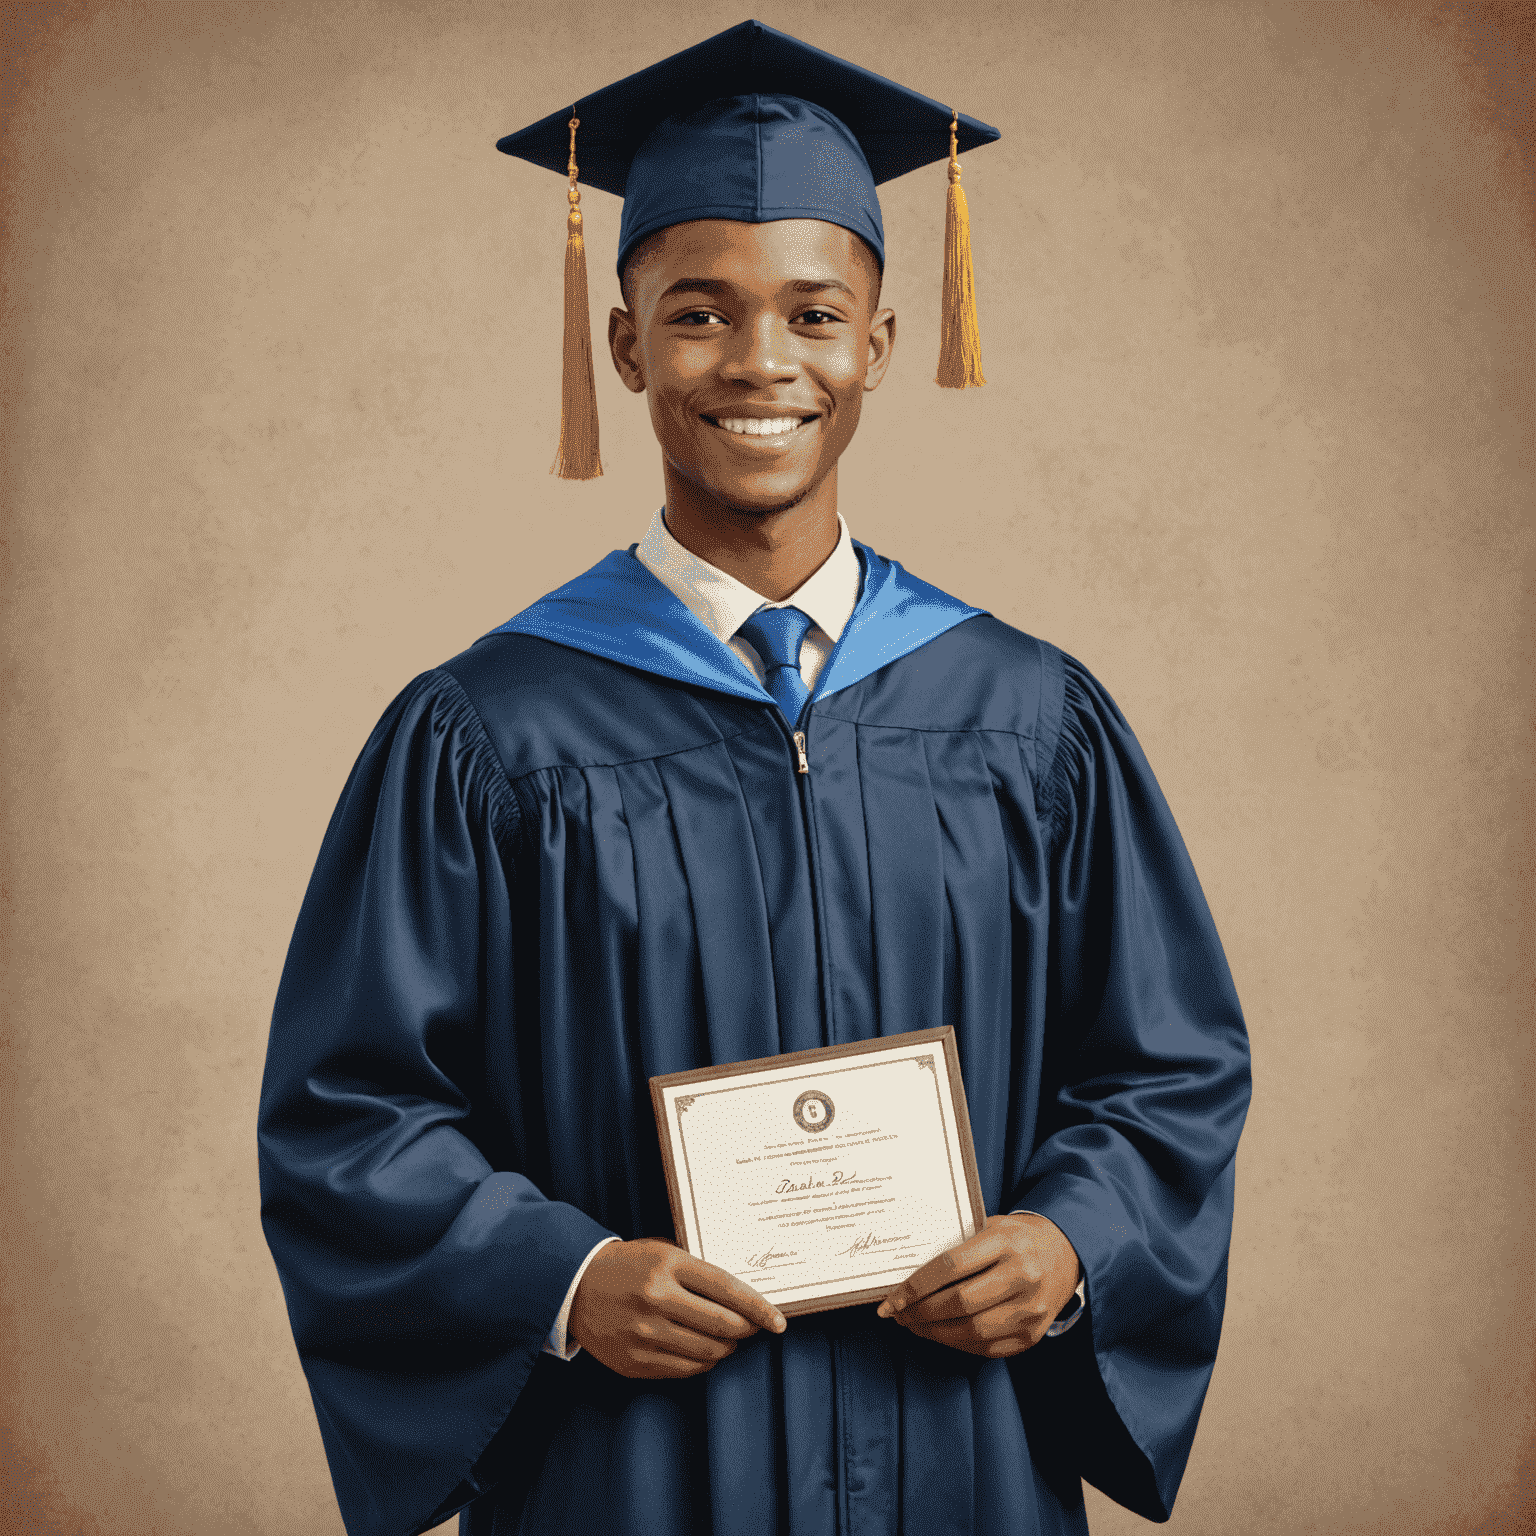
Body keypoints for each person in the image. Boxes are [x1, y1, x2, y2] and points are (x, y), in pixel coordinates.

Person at [257, 21, 1251, 1536]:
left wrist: (1067, 1244)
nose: (763, 364)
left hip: (957, 1462)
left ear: (881, 345)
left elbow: (1166, 1068)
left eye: (815, 314)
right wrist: (567, 1280)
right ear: (626, 344)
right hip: (632, 1472)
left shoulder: (1026, 717)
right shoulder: (489, 734)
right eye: (702, 314)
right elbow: (350, 1109)